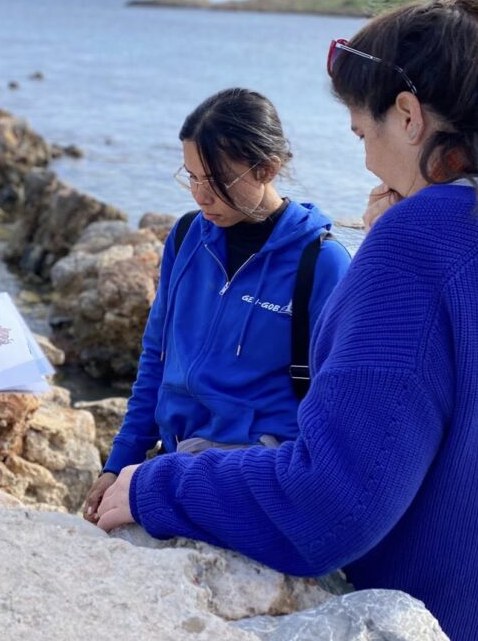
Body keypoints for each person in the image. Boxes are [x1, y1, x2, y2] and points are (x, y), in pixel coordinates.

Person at [94, 0, 478, 641]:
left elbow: (327, 506)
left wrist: (154, 486)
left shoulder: (420, 239)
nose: (368, 161)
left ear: (407, 115)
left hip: (424, 606)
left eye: (362, 134)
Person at [82, 89, 351, 520]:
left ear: (267, 169)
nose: (200, 196)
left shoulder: (321, 263)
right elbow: (155, 357)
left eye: (216, 180)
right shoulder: (186, 237)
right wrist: (118, 463)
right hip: (177, 459)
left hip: (255, 470)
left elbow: (337, 406)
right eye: (191, 177)